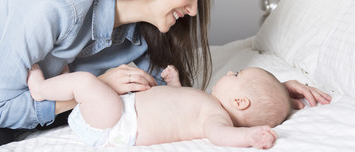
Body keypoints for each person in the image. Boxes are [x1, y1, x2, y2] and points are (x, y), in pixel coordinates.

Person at [0, 0, 332, 146]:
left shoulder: (143, 41)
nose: (194, 11)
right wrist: (97, 87)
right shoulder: (51, 7)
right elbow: (0, 111)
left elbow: (170, 103)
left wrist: (270, 93)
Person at [28, 64, 291, 149]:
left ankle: (41, 90)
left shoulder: (216, 118)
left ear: (240, 103)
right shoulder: (206, 102)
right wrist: (174, 83)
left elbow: (220, 136)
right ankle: (64, 80)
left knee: (86, 82)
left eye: (236, 76)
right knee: (90, 83)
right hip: (121, 109)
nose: (230, 72)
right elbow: (176, 105)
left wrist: (249, 136)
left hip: (118, 123)